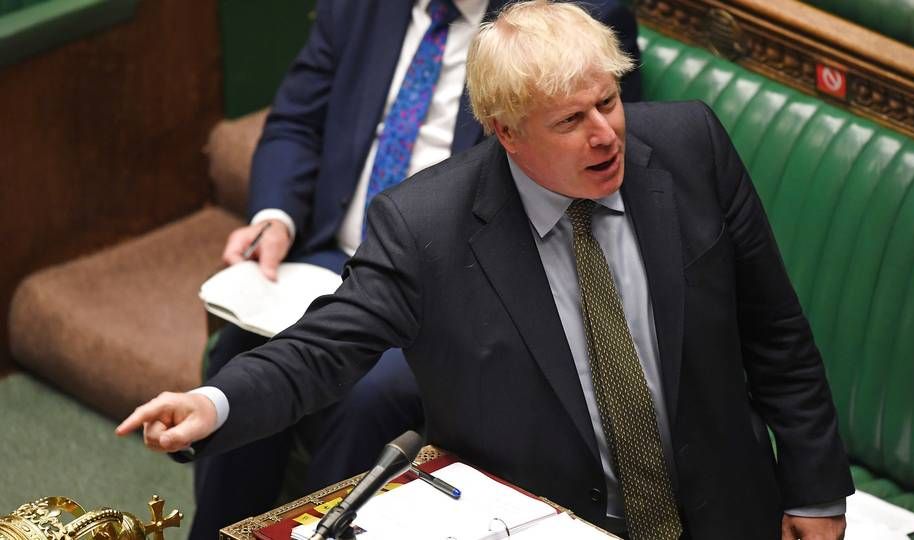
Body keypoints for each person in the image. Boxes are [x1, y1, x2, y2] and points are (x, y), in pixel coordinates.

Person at [118, 1, 854, 538]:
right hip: (552, 520)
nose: (606, 135)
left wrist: (817, 494)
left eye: (608, 102)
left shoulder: (691, 147)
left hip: (725, 511)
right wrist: (212, 404)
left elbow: (777, 335)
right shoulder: (426, 225)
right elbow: (324, 348)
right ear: (503, 131)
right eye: (571, 121)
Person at [192, 0, 642, 538]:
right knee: (242, 351)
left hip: (450, 286)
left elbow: (580, 188)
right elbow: (297, 119)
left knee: (364, 396)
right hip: (332, 254)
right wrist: (277, 215)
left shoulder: (571, 18)